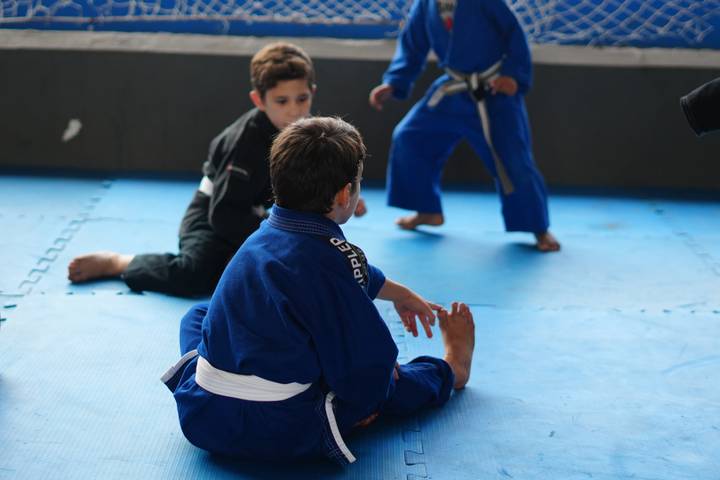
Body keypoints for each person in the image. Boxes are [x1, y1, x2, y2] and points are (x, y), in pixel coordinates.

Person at [161, 117, 476, 465]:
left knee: (199, 314)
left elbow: (347, 273)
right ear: (344, 195)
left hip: (203, 415)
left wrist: (399, 294)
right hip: (279, 429)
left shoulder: (262, 235)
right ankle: (453, 369)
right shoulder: (331, 259)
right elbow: (367, 365)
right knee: (389, 378)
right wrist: (377, 385)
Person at [66, 42, 367, 296]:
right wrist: (274, 238)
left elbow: (320, 169)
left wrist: (343, 192)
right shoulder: (244, 143)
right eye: (281, 101)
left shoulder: (306, 131)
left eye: (302, 99)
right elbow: (224, 215)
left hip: (259, 215)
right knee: (196, 275)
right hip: (213, 215)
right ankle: (118, 262)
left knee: (300, 257)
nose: (295, 110)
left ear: (312, 91)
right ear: (259, 100)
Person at [369, 0, 560, 252]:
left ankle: (538, 228)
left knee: (513, 159)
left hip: (494, 92)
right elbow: (413, 45)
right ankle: (427, 210)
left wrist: (513, 76)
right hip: (453, 90)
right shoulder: (426, 5)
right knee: (410, 138)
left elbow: (514, 34)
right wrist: (395, 82)